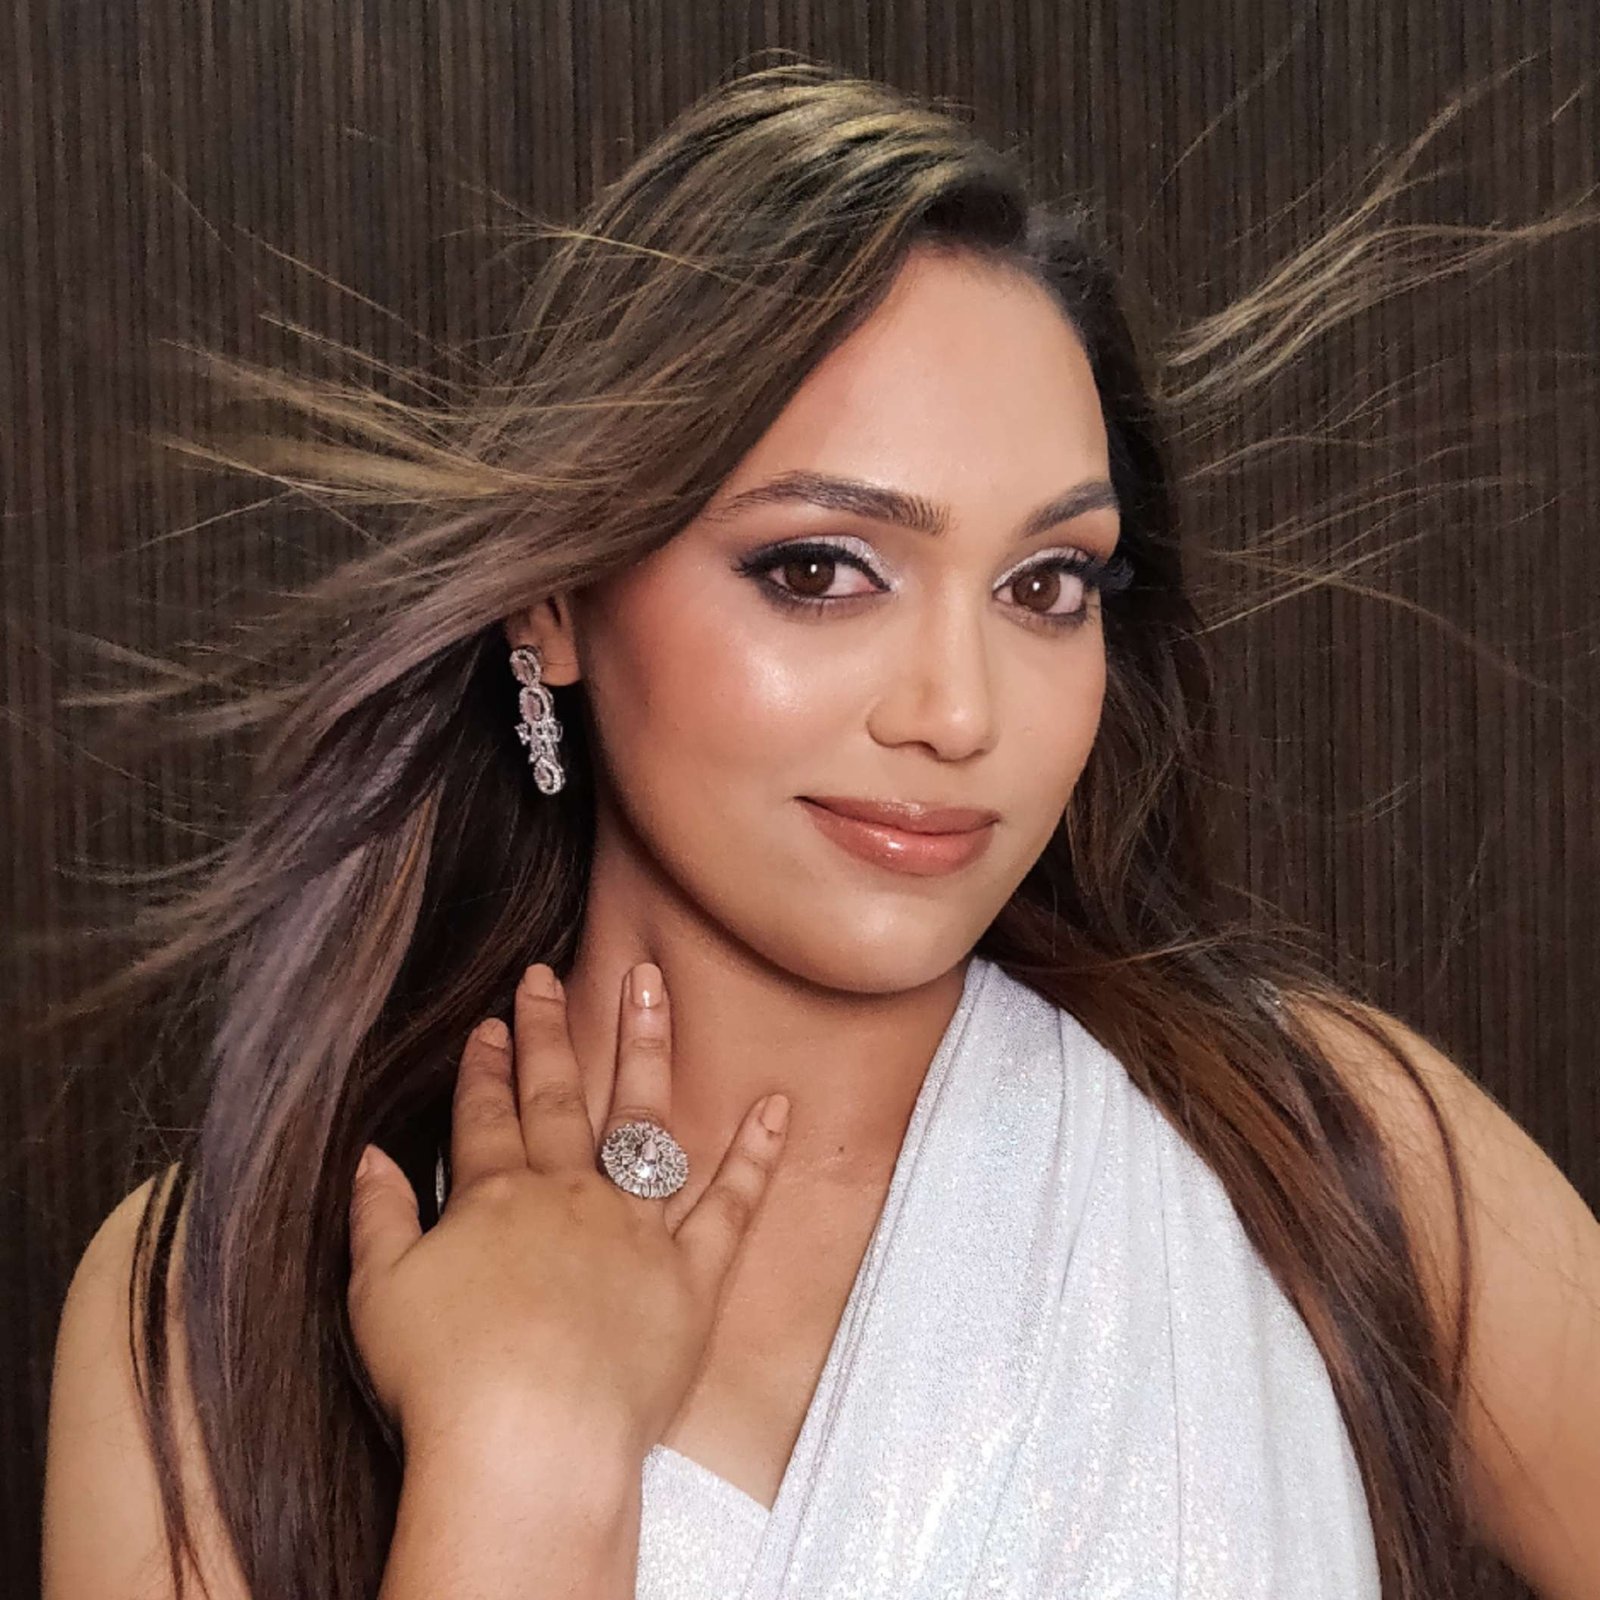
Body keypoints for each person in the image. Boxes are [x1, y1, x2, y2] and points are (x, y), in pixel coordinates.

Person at [38, 61, 1599, 1600]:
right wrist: (526, 1457)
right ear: (555, 603)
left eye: (1045, 584)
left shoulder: (1331, 1150)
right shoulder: (222, 1302)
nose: (959, 712)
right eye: (818, 570)